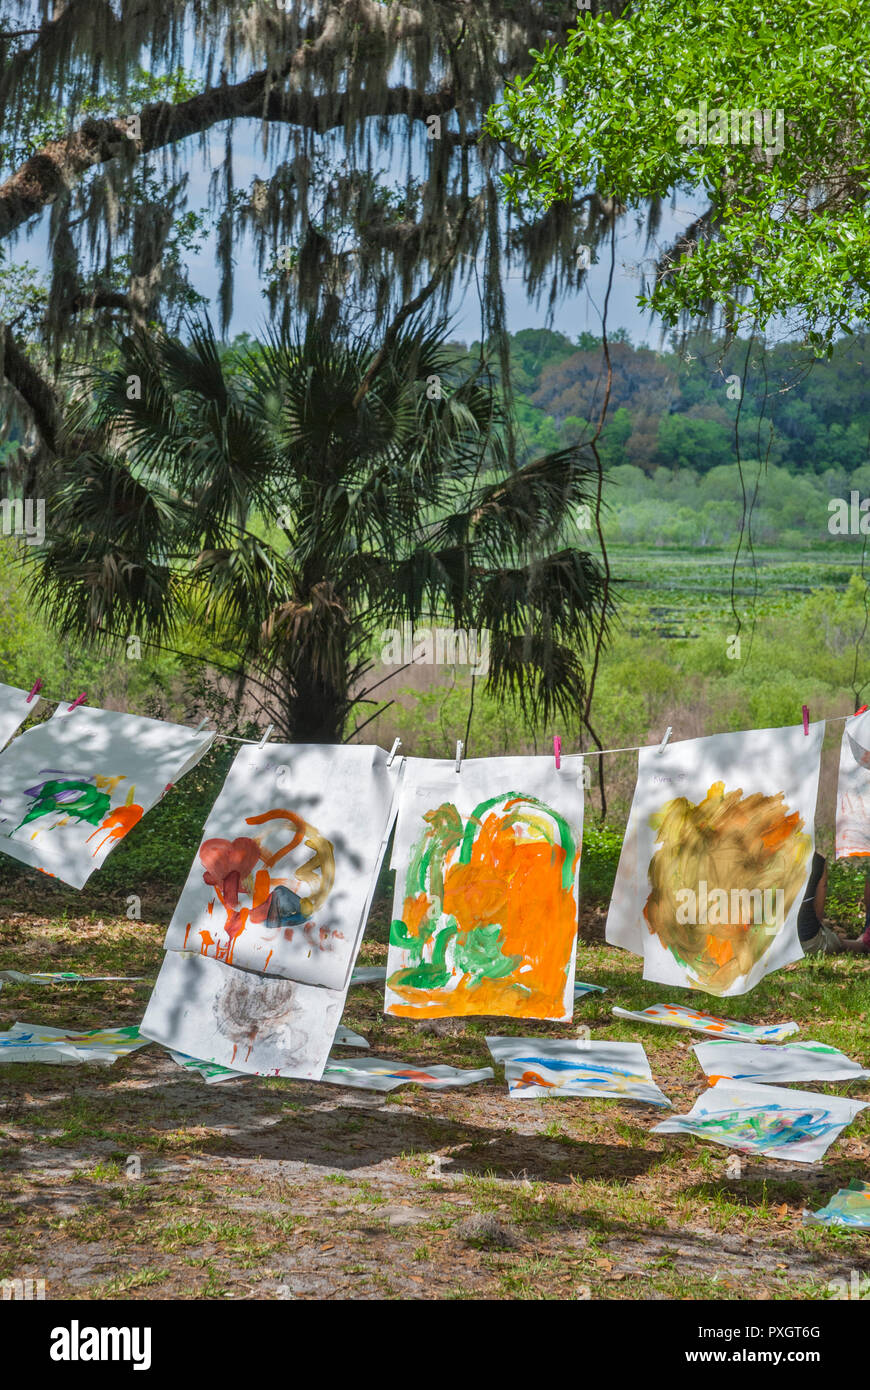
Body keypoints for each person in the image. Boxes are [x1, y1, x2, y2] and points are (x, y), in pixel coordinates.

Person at [797, 852, 870, 954]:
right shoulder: (817, 858)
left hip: (772, 942)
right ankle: (863, 943)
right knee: (857, 945)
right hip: (807, 941)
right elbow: (818, 916)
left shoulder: (768, 853)